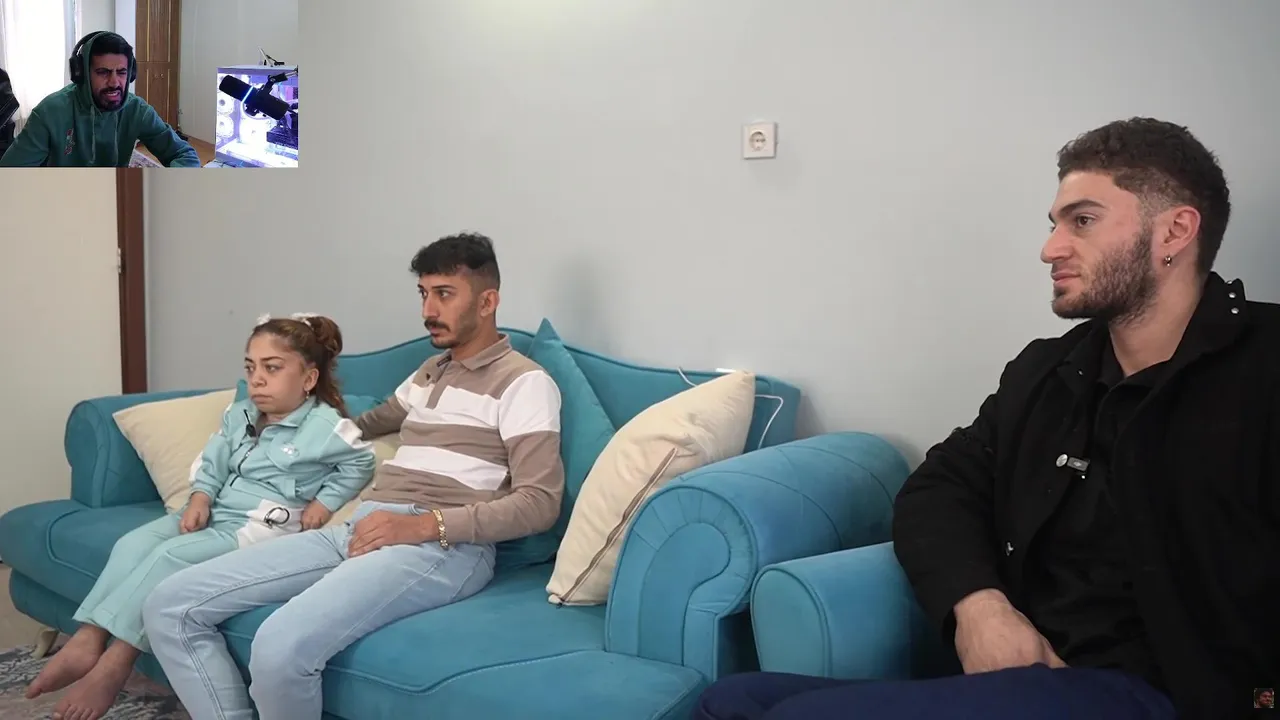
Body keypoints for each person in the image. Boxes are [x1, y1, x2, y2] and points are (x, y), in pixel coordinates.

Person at [695, 118, 1280, 720]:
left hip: (1169, 694)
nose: (1051, 248)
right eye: (1054, 224)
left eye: (1082, 221)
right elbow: (938, 488)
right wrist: (979, 607)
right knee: (729, 701)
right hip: (1026, 678)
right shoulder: (1049, 371)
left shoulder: (1263, 369)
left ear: (1175, 231)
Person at [142, 233, 566, 720]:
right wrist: (286, 429)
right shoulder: (432, 371)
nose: (428, 310)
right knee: (170, 605)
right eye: (423, 294)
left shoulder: (524, 382)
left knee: (279, 648)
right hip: (360, 526)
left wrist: (422, 526)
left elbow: (540, 502)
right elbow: (363, 426)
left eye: (444, 294)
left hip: (441, 546)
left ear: (488, 302)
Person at [30, 314, 374, 720]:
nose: (257, 380)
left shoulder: (327, 427)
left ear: (309, 378)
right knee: (134, 544)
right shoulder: (240, 414)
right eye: (250, 367)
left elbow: (361, 463)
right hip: (218, 509)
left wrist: (324, 503)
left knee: (169, 558)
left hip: (259, 527)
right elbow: (214, 460)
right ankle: (89, 635)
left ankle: (112, 661)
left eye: (272, 368)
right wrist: (200, 496)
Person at [0, 31, 199, 167]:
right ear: (82, 74)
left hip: (117, 200)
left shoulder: (137, 110)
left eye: (121, 72)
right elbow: (10, 174)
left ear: (130, 74)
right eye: (103, 72)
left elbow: (184, 154)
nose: (114, 82)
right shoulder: (50, 113)